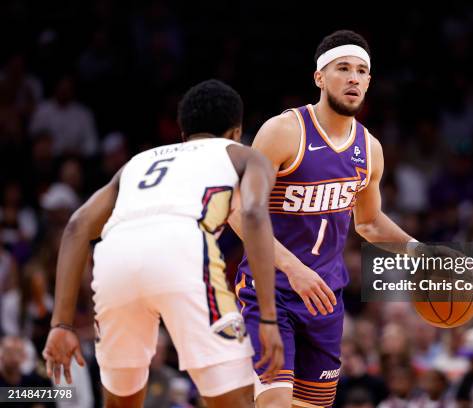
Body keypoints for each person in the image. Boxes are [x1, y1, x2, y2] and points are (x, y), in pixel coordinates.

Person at [42, 79, 284, 408]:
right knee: (235, 400)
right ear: (235, 131)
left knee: (120, 402)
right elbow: (255, 216)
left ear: (183, 134)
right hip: (183, 246)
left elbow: (75, 227)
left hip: (115, 256)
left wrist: (61, 324)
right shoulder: (243, 154)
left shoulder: (138, 163)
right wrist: (268, 319)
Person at [230, 30, 439, 408]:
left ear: (369, 82)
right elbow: (240, 213)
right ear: (320, 77)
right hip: (270, 291)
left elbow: (370, 223)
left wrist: (421, 253)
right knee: (274, 402)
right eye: (343, 68)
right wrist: (294, 269)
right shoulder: (284, 132)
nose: (354, 77)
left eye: (361, 71)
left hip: (325, 300)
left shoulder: (369, 149)